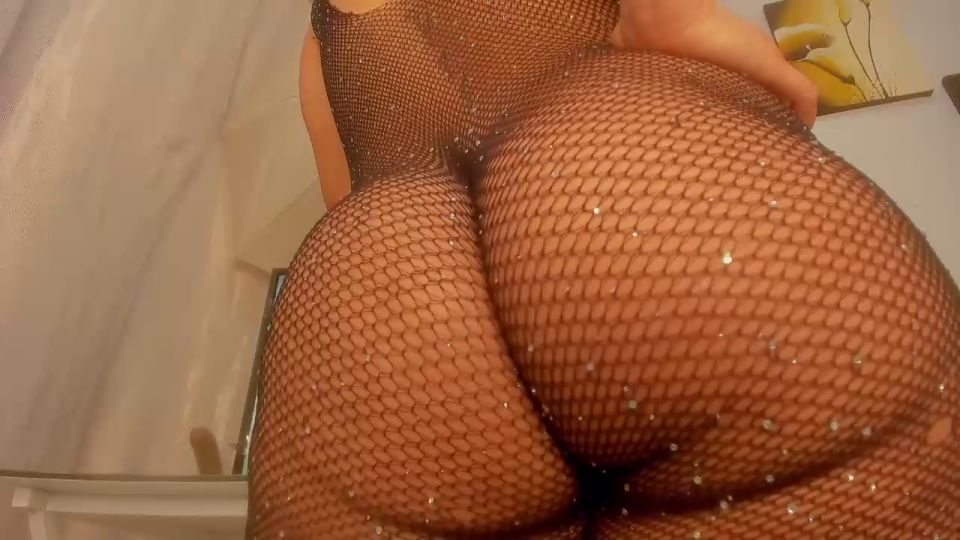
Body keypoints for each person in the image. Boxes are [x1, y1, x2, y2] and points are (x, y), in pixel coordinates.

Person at [248, 0, 959, 538]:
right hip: (611, 191)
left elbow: (345, 193)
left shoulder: (321, 42)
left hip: (392, 285)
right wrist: (673, 13)